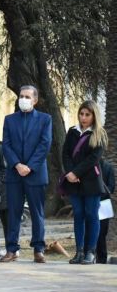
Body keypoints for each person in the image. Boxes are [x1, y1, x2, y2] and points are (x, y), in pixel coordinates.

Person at [1, 85, 52, 263]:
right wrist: (16, 164)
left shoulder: (45, 119)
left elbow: (45, 145)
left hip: (35, 173)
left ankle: (39, 249)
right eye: (21, 96)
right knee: (13, 212)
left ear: (35, 100)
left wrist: (29, 166)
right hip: (15, 173)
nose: (23, 99)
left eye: (28, 97)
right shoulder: (9, 119)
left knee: (37, 212)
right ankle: (11, 249)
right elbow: (5, 145)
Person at [62, 100, 108, 265]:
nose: (83, 117)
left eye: (87, 114)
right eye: (81, 114)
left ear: (94, 115)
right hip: (73, 181)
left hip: (91, 182)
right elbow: (65, 154)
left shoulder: (99, 134)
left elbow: (93, 159)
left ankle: (90, 251)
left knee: (91, 215)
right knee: (78, 215)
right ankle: (79, 251)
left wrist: (76, 172)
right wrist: (70, 173)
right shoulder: (72, 131)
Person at [95, 158, 115, 264]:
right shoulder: (89, 165)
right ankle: (94, 255)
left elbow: (111, 187)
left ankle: (102, 257)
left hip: (104, 203)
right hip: (94, 201)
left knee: (102, 232)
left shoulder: (108, 167)